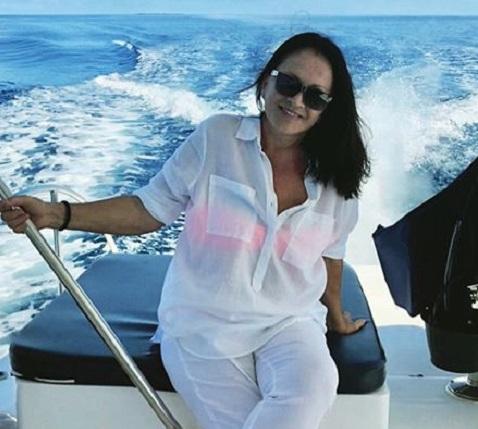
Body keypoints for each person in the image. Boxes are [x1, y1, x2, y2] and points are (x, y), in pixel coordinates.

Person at [1, 32, 370, 429]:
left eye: (315, 96)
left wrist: (336, 318)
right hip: (202, 325)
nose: (297, 101)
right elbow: (147, 209)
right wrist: (56, 214)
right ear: (266, 83)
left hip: (289, 322)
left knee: (315, 387)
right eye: (289, 84)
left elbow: (330, 255)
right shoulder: (216, 139)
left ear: (327, 109)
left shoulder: (339, 179)